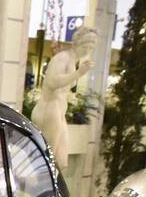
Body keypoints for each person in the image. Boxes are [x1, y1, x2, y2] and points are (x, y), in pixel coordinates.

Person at [31, 27, 97, 168]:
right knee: (46, 161)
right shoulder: (62, 58)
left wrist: (78, 72)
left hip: (58, 111)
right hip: (49, 110)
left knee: (60, 162)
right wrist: (78, 73)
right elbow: (52, 81)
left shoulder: (72, 61)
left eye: (92, 47)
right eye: (86, 45)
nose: (88, 50)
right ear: (78, 43)